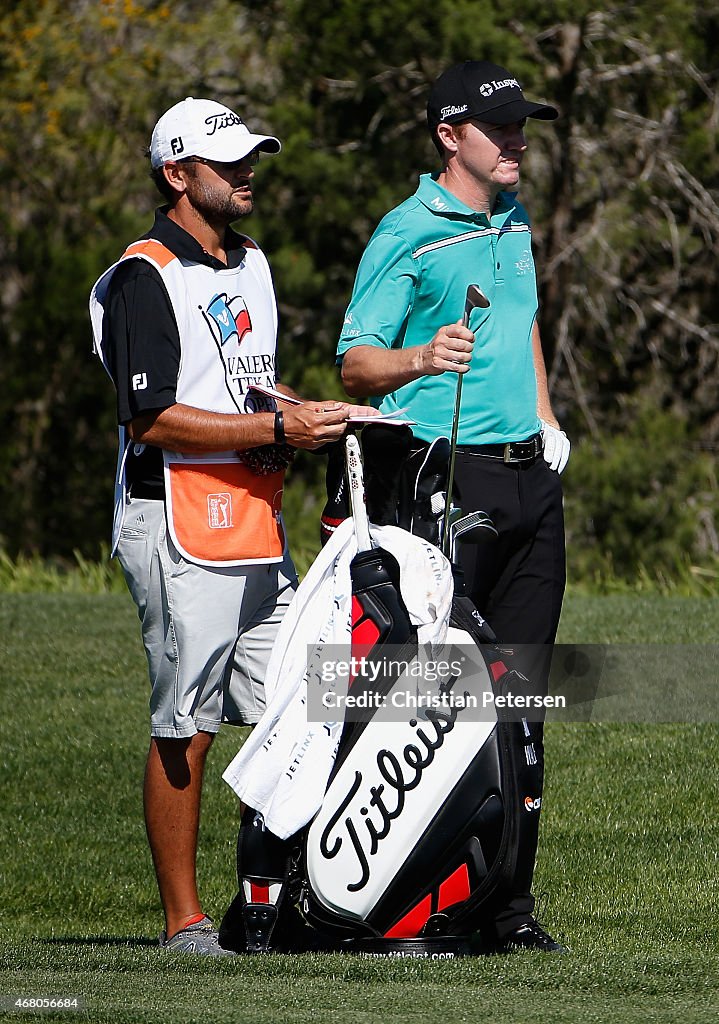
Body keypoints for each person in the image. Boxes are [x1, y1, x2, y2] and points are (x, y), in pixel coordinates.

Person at [89, 97, 358, 956]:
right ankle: (184, 923)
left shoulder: (252, 261)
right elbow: (153, 420)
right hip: (173, 522)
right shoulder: (142, 275)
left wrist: (308, 414)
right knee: (188, 722)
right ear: (177, 175)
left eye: (252, 157)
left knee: (302, 699)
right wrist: (279, 430)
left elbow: (244, 388)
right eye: (228, 161)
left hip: (251, 518)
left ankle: (268, 903)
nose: (248, 172)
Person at [336, 61, 571, 953]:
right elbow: (355, 362)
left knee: (522, 698)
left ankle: (507, 907)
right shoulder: (407, 233)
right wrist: (422, 357)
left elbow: (525, 323)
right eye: (499, 128)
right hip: (446, 478)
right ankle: (408, 900)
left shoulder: (512, 220)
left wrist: (546, 418)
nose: (516, 141)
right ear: (449, 136)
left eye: (522, 127)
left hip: (527, 482)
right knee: (430, 697)